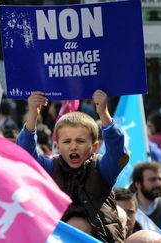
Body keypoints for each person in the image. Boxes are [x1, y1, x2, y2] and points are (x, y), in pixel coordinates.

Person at [17, 90, 129, 242]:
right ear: (57, 145)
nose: (73, 147)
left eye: (80, 141)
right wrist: (32, 115)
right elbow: (24, 156)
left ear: (94, 147)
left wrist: (103, 113)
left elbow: (117, 151)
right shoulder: (50, 168)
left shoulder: (102, 169)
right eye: (67, 141)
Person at [130, 162, 161, 229]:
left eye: (160, 179)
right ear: (138, 184)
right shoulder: (125, 207)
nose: (158, 184)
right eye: (152, 180)